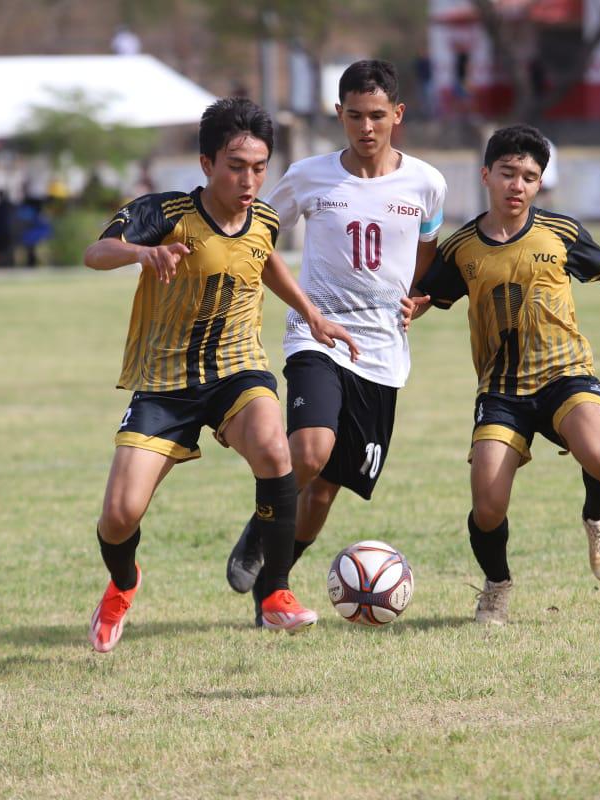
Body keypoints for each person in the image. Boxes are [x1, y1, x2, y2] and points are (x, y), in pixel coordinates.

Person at [81, 97, 359, 651]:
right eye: (236, 167)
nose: (249, 180)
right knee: (118, 516)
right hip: (165, 383)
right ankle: (123, 584)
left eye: (259, 167)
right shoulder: (164, 212)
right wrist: (140, 254)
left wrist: (310, 312)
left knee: (275, 450)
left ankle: (275, 592)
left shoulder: (265, 219)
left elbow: (264, 257)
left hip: (237, 370)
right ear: (207, 164)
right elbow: (96, 251)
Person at [413, 124, 600, 625]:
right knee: (487, 506)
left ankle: (596, 517)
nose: (517, 185)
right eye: (508, 173)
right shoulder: (462, 248)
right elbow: (426, 296)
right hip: (501, 390)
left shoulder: (561, 232)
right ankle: (497, 585)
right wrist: (407, 308)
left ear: (540, 183)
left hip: (565, 374)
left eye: (529, 177)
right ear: (486, 175)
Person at [222, 60, 447, 625]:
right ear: (339, 114)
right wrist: (295, 304)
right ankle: (259, 538)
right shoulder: (308, 176)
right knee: (309, 451)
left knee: (324, 491)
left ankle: (271, 588)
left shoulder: (426, 183)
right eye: (355, 115)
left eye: (378, 115)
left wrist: (418, 296)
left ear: (398, 114)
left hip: (383, 353)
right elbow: (257, 235)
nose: (366, 127)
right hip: (316, 336)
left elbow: (428, 245)